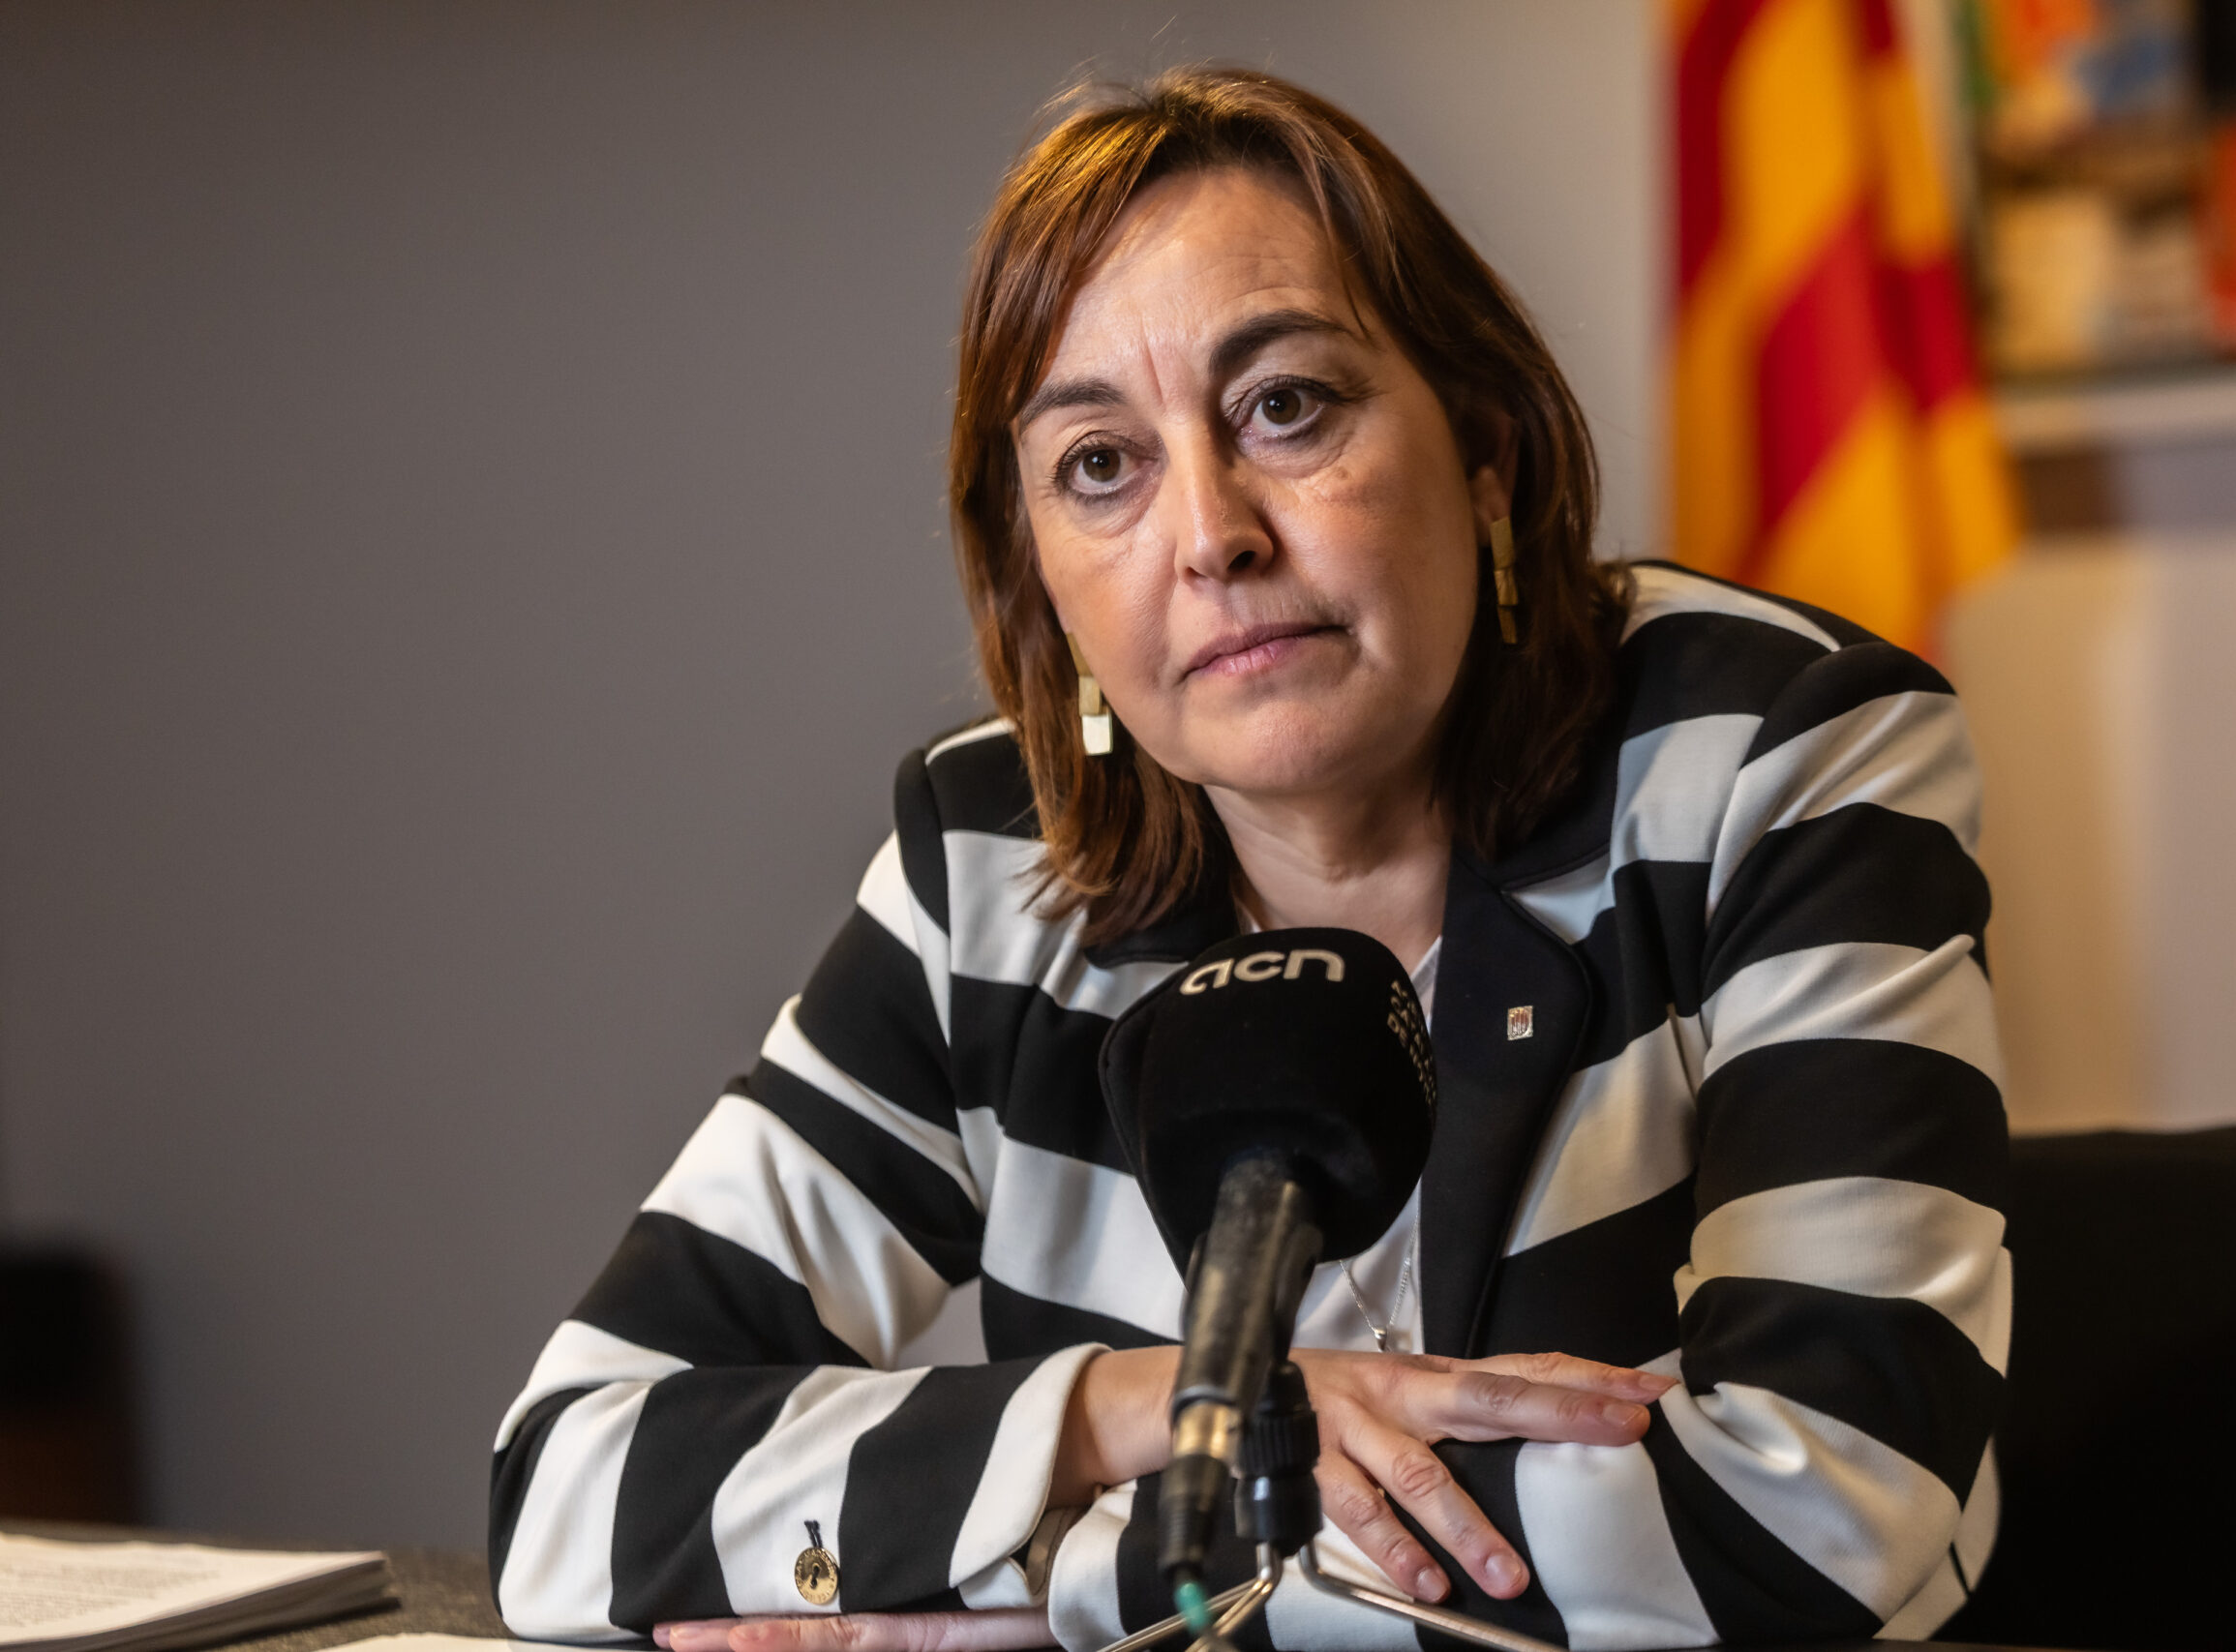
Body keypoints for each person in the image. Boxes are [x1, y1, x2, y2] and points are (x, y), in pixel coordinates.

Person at [488, 66, 2009, 1652]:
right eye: (1101, 464)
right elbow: (568, 1490)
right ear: (1042, 582)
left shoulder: (1785, 761)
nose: (1210, 534)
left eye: (1286, 405)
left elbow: (1833, 1505)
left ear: (1484, 456)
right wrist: (1125, 1413)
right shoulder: (990, 870)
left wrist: (1080, 1583)